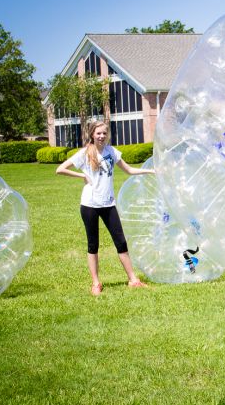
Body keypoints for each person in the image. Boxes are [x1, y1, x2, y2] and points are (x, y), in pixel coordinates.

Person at [56, 121, 154, 296]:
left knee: (121, 242)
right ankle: (95, 283)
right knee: (93, 244)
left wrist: (152, 171)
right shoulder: (85, 154)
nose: (101, 136)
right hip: (89, 205)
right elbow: (60, 169)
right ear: (92, 134)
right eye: (98, 133)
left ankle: (133, 280)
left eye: (104, 133)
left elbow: (129, 170)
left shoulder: (112, 152)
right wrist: (82, 175)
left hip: (109, 204)